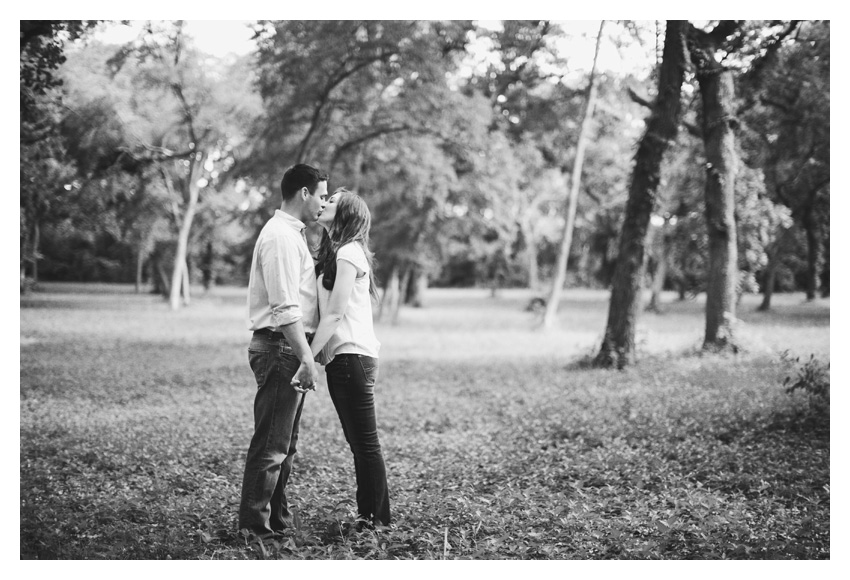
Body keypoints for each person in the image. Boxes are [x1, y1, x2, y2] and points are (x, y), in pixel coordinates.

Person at [238, 163, 328, 541]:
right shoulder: (279, 237)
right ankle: (254, 529)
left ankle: (276, 520)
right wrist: (306, 356)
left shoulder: (293, 235)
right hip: (280, 347)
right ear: (304, 193)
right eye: (322, 196)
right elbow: (284, 307)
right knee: (272, 443)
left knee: (285, 444)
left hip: (288, 346)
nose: (324, 204)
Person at [310, 188, 390, 528]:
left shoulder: (349, 253)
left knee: (366, 444)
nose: (324, 203)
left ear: (346, 215)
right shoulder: (339, 252)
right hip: (346, 360)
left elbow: (335, 314)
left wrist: (306, 358)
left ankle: (378, 520)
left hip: (351, 359)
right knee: (359, 444)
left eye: (332, 202)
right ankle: (369, 516)